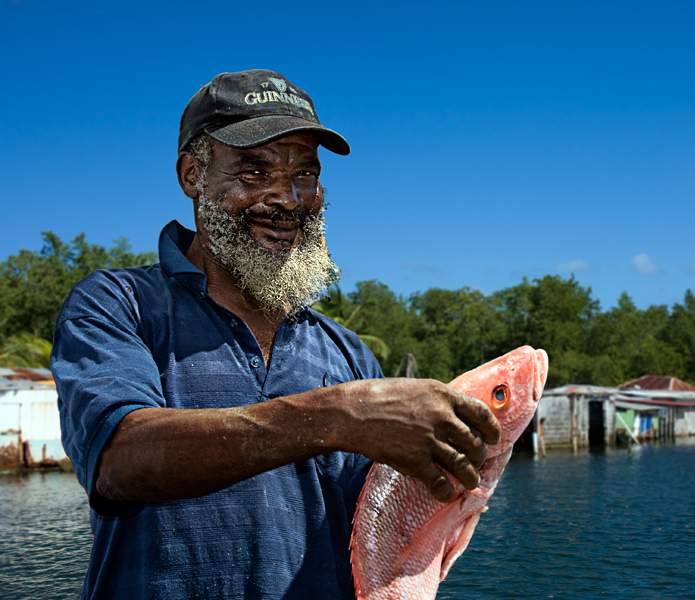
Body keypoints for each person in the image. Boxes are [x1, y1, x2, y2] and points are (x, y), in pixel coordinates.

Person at [51, 69, 501, 600]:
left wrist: (455, 483)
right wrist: (337, 417)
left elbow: (382, 532)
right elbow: (120, 463)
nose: (287, 199)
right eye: (253, 171)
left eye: (305, 174)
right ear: (192, 175)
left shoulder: (348, 354)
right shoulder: (118, 304)